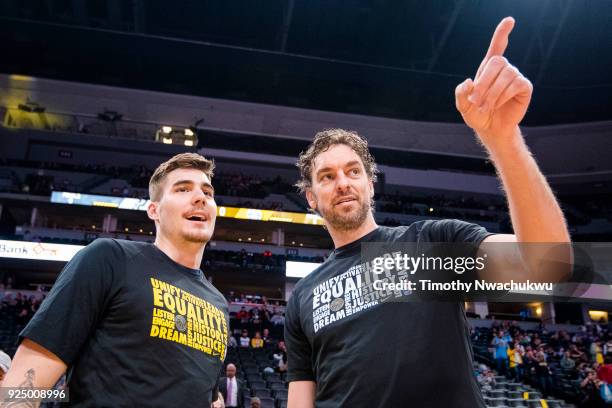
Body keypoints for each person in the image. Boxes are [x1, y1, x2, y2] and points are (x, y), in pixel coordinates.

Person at [284, 17, 571, 407]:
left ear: (371, 184)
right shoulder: (303, 295)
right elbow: (302, 398)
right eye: (327, 176)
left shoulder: (430, 244)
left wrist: (503, 139)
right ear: (312, 198)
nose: (343, 183)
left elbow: (547, 264)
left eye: (354, 171)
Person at [1, 153, 229, 406]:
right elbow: (22, 385)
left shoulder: (219, 304)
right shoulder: (109, 258)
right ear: (154, 210)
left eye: (208, 193)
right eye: (183, 189)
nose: (201, 198)